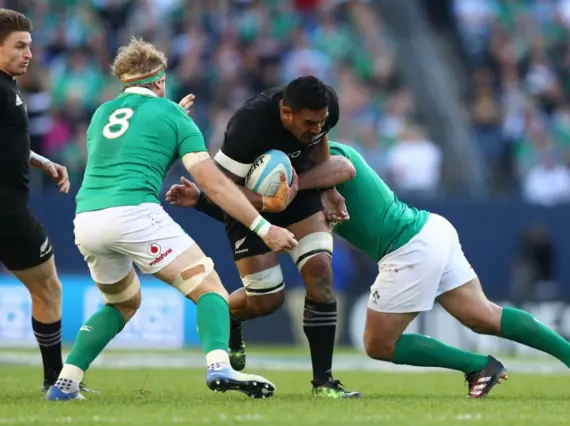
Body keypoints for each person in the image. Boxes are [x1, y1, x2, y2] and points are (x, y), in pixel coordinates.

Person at [167, 141, 570, 400]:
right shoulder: (312, 175)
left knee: (377, 344)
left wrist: (274, 190)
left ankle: (476, 366)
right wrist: (205, 201)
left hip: (408, 248)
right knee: (482, 314)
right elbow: (261, 216)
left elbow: (328, 173)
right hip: (430, 229)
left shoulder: (322, 167)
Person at [45, 37, 297, 401]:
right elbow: (212, 182)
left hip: (86, 219)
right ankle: (218, 366)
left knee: (121, 303)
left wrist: (170, 122)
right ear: (160, 81)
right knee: (210, 288)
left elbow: (133, 152)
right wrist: (264, 226)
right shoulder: (173, 116)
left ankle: (65, 382)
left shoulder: (102, 113)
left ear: (125, 82)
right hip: (134, 213)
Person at [181, 76, 360, 399]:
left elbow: (321, 142)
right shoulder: (248, 126)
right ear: (286, 113)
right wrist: (265, 203)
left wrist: (328, 189)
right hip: (247, 203)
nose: (315, 128)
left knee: (320, 272)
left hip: (297, 188)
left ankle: (324, 382)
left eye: (321, 122)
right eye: (308, 122)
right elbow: (222, 190)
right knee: (267, 299)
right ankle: (229, 315)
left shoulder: (324, 108)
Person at [0, 8, 74, 392]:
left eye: (30, 45)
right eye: (19, 46)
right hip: (7, 212)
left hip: (10, 209)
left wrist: (41, 159)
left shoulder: (9, 86)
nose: (28, 53)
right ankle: (55, 383)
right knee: (48, 289)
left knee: (47, 288)